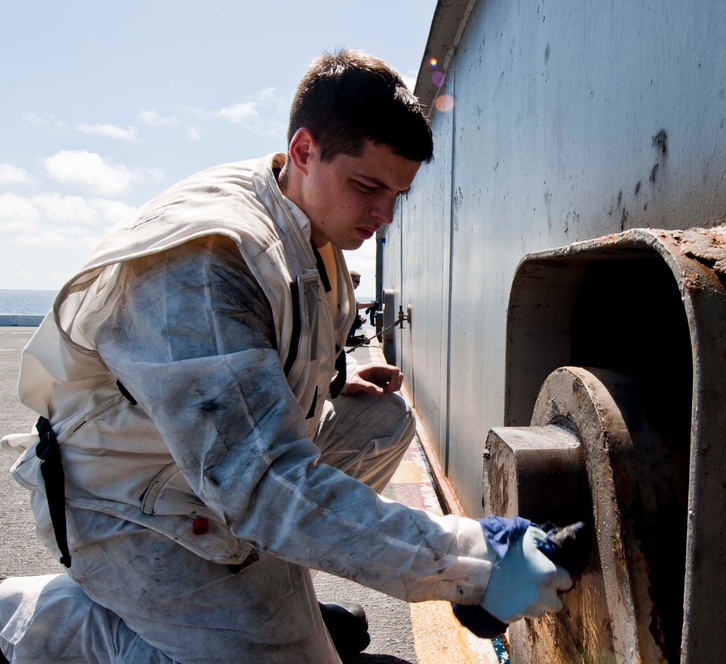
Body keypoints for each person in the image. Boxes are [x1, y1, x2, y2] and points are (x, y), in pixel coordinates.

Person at [0, 50, 572, 663]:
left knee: (382, 422)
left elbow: (256, 362)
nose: (384, 215)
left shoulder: (305, 223)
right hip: (133, 507)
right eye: (367, 187)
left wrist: (332, 380)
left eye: (398, 194)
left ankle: (254, 598)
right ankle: (46, 623)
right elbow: (262, 481)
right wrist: (475, 562)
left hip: (204, 473)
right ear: (304, 151)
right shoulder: (203, 267)